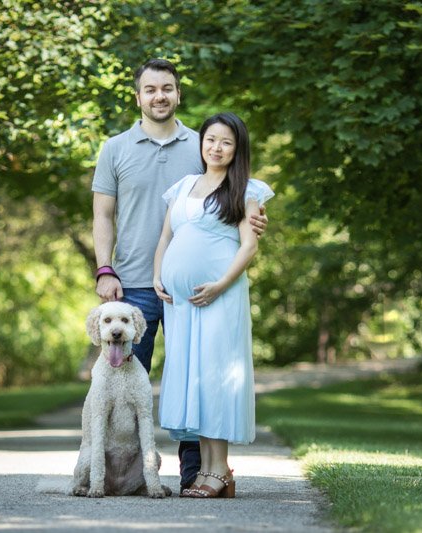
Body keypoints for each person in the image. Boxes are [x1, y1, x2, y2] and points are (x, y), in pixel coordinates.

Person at [91, 59, 266, 493]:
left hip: (195, 293)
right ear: (138, 97)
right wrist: (105, 269)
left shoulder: (201, 144)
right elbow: (103, 215)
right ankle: (125, 475)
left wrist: (254, 219)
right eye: (150, 89)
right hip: (134, 284)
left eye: (167, 88)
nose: (159, 96)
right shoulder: (115, 148)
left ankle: (197, 472)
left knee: (196, 376)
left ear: (178, 93)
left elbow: (234, 193)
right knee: (123, 386)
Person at [153, 112, 274, 499]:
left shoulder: (245, 190)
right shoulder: (183, 186)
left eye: (226, 142)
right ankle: (207, 469)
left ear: (237, 149)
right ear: (201, 142)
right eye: (210, 139)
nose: (216, 148)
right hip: (183, 305)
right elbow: (166, 237)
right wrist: (158, 275)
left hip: (220, 297)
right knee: (197, 379)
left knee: (216, 376)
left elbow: (249, 246)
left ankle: (220, 470)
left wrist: (221, 285)